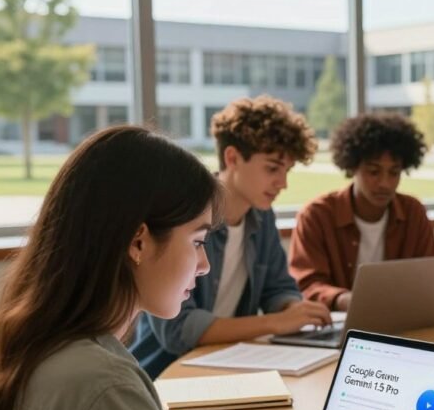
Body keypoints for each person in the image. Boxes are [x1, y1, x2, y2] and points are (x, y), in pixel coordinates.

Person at [0, 126, 372, 410]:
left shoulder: (40, 343)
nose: (204, 264)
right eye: (196, 241)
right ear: (138, 242)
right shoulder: (101, 385)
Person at [130, 95, 331, 378]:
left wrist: (295, 310)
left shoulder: (262, 217)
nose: (283, 183)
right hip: (166, 374)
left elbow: (276, 288)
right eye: (272, 168)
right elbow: (179, 330)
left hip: (227, 367)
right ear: (232, 158)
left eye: (287, 171)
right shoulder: (185, 216)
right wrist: (277, 322)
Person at [288, 112, 434, 311]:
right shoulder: (317, 215)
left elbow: (431, 277)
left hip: (400, 320)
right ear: (352, 168)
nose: (385, 183)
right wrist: (346, 300)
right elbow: (306, 284)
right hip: (338, 321)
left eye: (394, 173)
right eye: (373, 172)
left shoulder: (413, 212)